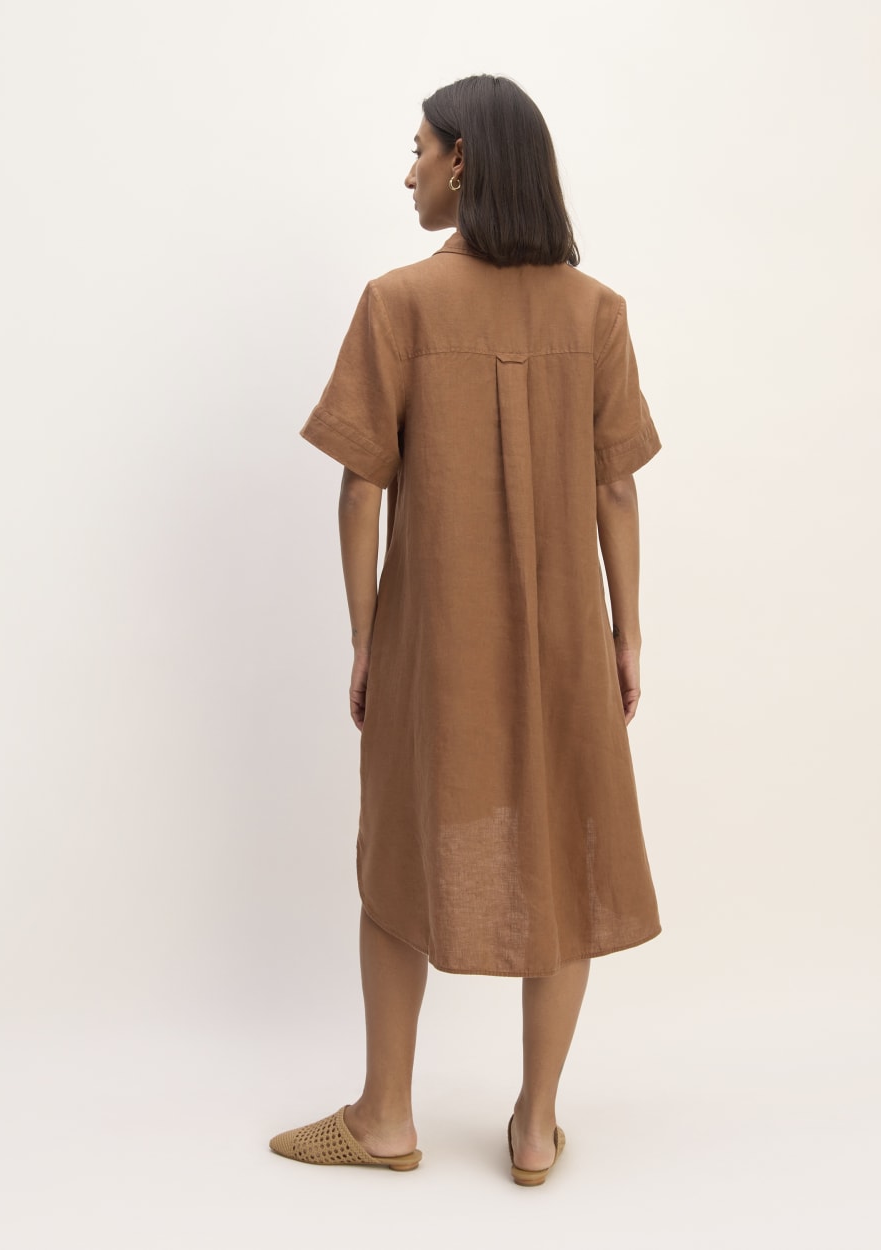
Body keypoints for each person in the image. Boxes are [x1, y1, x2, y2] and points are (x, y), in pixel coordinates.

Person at [269, 74, 662, 1186]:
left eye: (419, 151)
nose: (408, 174)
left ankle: (385, 1118)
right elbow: (617, 487)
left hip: (431, 641)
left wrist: (365, 635)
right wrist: (628, 632)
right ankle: (535, 1126)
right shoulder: (596, 312)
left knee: (400, 848)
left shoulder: (397, 303)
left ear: (463, 163)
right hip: (568, 640)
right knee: (568, 847)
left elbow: (360, 484)